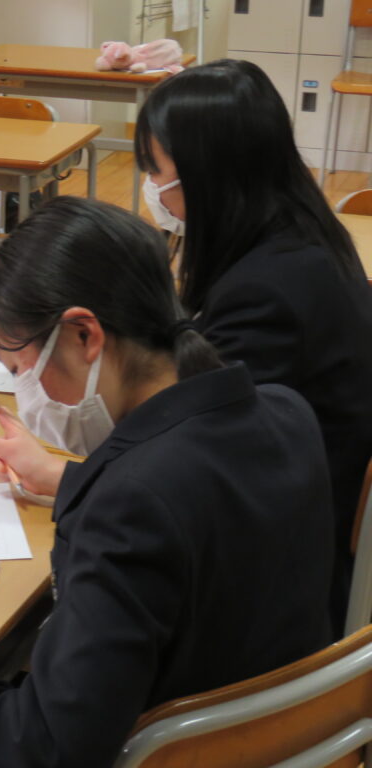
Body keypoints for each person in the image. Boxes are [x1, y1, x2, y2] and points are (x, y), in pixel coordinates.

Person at [0, 197, 334, 768]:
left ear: (83, 335)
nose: (24, 392)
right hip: (280, 739)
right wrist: (75, 481)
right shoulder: (286, 413)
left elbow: (42, 751)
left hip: (166, 750)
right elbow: (191, 516)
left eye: (19, 367)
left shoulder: (130, 505)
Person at [135, 58, 372, 634]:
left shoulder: (266, 291)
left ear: (208, 175)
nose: (152, 189)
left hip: (292, 569)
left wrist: (67, 476)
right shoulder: (297, 233)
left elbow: (192, 451)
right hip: (304, 513)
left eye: (157, 171)